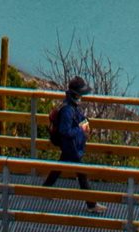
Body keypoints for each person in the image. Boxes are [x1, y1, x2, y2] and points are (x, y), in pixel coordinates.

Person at [45, 77, 97, 210]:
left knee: (60, 167)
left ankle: (45, 190)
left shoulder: (70, 106)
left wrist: (84, 122)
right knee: (82, 174)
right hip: (71, 146)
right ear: (76, 94)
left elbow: (77, 120)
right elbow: (65, 130)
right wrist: (80, 129)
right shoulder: (68, 109)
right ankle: (91, 205)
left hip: (70, 146)